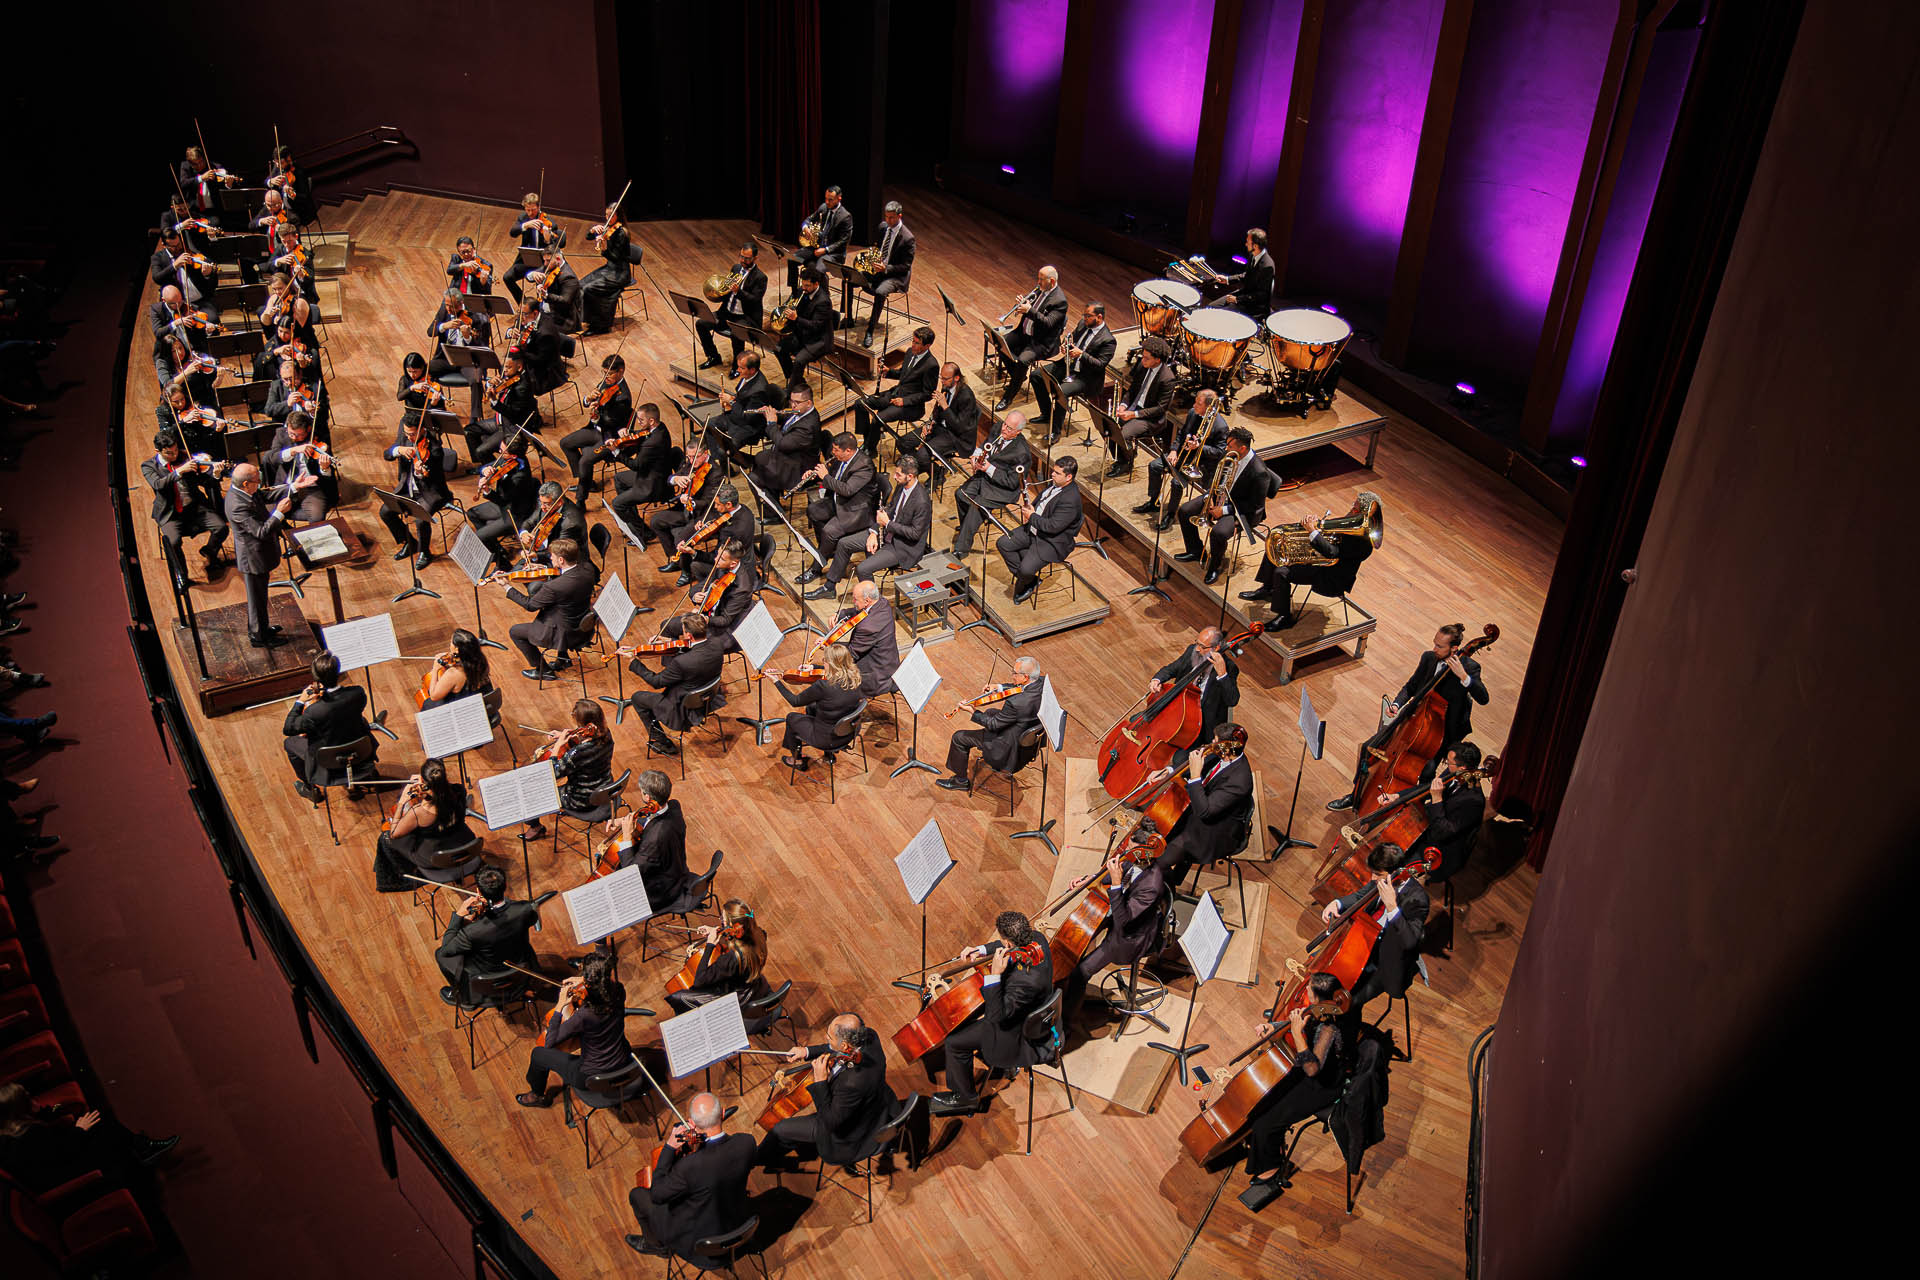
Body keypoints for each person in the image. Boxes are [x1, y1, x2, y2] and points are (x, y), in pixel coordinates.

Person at [1326, 623, 1490, 812]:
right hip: (1414, 718)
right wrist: (1396, 704)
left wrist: (1463, 677)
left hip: (1442, 731)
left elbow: (1483, 698)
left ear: (1454, 648)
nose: (1434, 649)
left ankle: (1416, 808)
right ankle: (1355, 795)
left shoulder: (1469, 666)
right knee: (1368, 748)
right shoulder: (1429, 658)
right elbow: (1411, 686)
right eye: (1434, 644)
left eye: (1440, 646)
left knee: (1426, 770)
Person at [927, 912, 1055, 1116]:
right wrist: (980, 950)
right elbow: (1006, 948)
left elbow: (996, 1017)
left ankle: (966, 1098)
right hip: (1030, 1009)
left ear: (1008, 943)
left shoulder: (1024, 984)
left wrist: (995, 976)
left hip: (1016, 1033)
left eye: (1003, 940)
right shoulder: (1036, 939)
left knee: (954, 1042)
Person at [1238, 972, 1348, 1204]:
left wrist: (1297, 1032)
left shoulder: (1330, 1028)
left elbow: (1312, 1069)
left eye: (1309, 990)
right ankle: (1267, 1145)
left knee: (1266, 1123)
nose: (1305, 992)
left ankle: (1271, 1168)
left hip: (1321, 1085)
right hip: (1305, 1070)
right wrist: (1275, 1029)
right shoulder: (1318, 1010)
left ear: (1319, 998)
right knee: (1261, 1101)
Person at [624, 1091, 755, 1261]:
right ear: (722, 1113)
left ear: (692, 1123)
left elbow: (657, 1195)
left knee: (638, 1195)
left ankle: (657, 1246)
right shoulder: (746, 1142)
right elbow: (721, 1161)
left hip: (700, 1245)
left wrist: (670, 1148)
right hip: (740, 1225)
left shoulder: (688, 1167)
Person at [758, 1013, 893, 1168]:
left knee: (780, 1129)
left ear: (845, 1046)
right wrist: (806, 1051)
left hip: (849, 1134)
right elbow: (836, 1049)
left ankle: (757, 1159)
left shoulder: (851, 1083)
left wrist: (821, 1081)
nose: (826, 1037)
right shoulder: (868, 1036)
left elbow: (829, 1122)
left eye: (829, 1036)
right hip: (872, 1106)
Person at [0, 1083, 178, 1199]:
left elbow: (50, 1111)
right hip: (66, 1176)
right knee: (102, 1128)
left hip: (59, 1155)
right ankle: (141, 1160)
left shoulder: (12, 1128)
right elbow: (62, 1155)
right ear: (21, 1110)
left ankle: (142, 1147)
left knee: (99, 1119)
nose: (34, 1099)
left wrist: (56, 1107)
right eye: (29, 1099)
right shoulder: (29, 1136)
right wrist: (79, 1130)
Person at [1059, 844, 1169, 1020]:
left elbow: (1124, 922)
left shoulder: (1151, 885)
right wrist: (1091, 879)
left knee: (1082, 972)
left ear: (1145, 848)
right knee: (1079, 936)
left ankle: (1066, 1023)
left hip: (1130, 938)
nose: (1126, 849)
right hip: (1120, 912)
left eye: (1131, 845)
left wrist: (1117, 884)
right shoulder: (1136, 856)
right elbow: (1116, 871)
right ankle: (1067, 987)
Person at [1318, 842, 1429, 1012]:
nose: (1373, 878)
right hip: (1362, 943)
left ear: (1396, 872)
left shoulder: (1418, 899)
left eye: (1378, 874)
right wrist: (1337, 903)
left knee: (1346, 1005)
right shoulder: (1380, 880)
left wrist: (1392, 907)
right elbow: (1360, 896)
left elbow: (1409, 941)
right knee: (1322, 980)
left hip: (1384, 962)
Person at [1243, 492, 1380, 623]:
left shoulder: (1364, 544)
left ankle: (1284, 617)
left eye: (1355, 509)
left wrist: (1312, 531)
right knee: (1277, 544)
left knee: (1282, 572)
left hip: (1331, 577)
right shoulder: (1350, 522)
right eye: (1353, 506)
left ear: (1363, 515)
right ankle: (1268, 589)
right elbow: (1329, 532)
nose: (1352, 510)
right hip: (1321, 564)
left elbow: (1331, 553)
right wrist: (1314, 523)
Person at [516, 954, 630, 1108]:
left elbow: (550, 1042)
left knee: (538, 1054)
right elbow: (602, 990)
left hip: (589, 1076)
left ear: (589, 980)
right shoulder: (619, 991)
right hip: (624, 1061)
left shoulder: (585, 1015)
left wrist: (560, 1005)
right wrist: (584, 981)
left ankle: (537, 1095)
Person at [808, 458, 930, 599]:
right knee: (843, 544)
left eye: (898, 475)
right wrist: (874, 531)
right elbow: (889, 510)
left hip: (902, 546)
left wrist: (888, 524)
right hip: (885, 533)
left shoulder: (922, 501)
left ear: (910, 476)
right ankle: (829, 587)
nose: (894, 477)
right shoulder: (901, 486)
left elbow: (914, 533)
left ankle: (873, 604)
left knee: (862, 568)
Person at [1151, 722, 1255, 887]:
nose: (1211, 743)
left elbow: (1204, 812)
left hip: (1216, 831)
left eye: (1215, 741)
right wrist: (1169, 772)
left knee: (1160, 862)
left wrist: (1195, 775)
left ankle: (1166, 888)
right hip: (1202, 807)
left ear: (1226, 750)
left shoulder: (1240, 782)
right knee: (1157, 832)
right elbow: (1192, 764)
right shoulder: (1221, 752)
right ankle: (1171, 877)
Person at [225, 461, 316, 647]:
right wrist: (279, 513)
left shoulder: (245, 491)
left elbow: (265, 494)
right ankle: (259, 637)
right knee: (256, 601)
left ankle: (262, 629)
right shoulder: (237, 505)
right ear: (245, 484)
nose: (259, 483)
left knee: (261, 597)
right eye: (256, 481)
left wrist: (293, 487)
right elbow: (260, 532)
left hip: (260, 555)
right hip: (252, 558)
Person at [1175, 426, 1274, 585]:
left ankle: (1215, 566)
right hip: (1219, 497)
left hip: (1242, 511)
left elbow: (1254, 505)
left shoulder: (1259, 472)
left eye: (1230, 445)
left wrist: (1224, 510)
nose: (1226, 448)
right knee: (1185, 511)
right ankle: (1195, 550)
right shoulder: (1230, 454)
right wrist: (1210, 496)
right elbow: (1215, 475)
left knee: (1218, 533)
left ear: (1242, 448)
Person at [434, 867, 539, 1007]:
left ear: (478, 891)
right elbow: (527, 919)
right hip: (519, 963)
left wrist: (459, 915)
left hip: (489, 973)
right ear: (505, 886)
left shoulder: (472, 931)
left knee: (439, 955)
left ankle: (463, 996)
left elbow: (446, 950)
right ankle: (521, 988)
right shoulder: (525, 908)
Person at [622, 614, 726, 756]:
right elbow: (696, 647)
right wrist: (668, 641)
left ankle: (663, 743)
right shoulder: (718, 644)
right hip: (710, 697)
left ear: (688, 635)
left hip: (683, 707)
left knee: (637, 698)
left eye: (683, 631)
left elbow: (656, 682)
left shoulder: (682, 662)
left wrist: (634, 662)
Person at [937, 656, 1044, 792]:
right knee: (990, 711)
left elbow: (994, 724)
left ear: (1025, 677)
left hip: (1006, 748)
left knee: (959, 737)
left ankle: (960, 781)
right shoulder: (1041, 683)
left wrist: (972, 710)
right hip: (1026, 742)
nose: (1012, 676)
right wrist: (999, 687)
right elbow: (1020, 689)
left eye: (1014, 673)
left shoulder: (1017, 703)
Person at [142, 428, 229, 592]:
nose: (175, 455)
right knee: (173, 542)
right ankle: (181, 575)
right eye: (169, 453)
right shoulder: (148, 466)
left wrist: (215, 475)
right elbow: (158, 485)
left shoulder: (186, 457)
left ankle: (210, 551)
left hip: (195, 507)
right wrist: (179, 471)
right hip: (171, 513)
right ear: (158, 451)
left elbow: (205, 482)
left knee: (222, 527)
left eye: (176, 450)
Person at [371, 758, 475, 892]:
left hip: (436, 857)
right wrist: (427, 792)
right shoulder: (459, 790)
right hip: (463, 844)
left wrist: (402, 801)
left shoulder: (419, 812)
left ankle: (398, 881)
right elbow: (442, 804)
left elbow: (394, 833)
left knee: (385, 838)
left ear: (423, 781)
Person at [505, 537, 598, 681]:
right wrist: (546, 570)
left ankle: (544, 671)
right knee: (561, 612)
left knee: (515, 631)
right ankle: (563, 658)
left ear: (561, 560)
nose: (550, 558)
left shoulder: (553, 587)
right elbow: (567, 581)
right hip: (583, 627)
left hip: (564, 633)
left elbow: (530, 605)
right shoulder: (588, 569)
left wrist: (506, 587)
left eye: (552, 556)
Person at [282, 652, 372, 801]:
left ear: (317, 679)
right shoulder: (357, 693)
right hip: (359, 753)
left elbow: (288, 728)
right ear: (338, 672)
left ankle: (311, 790)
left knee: (290, 743)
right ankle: (367, 778)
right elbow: (341, 711)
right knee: (361, 722)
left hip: (328, 762)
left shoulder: (314, 712)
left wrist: (300, 701)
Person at [522, 699, 615, 841]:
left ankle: (536, 827)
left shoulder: (577, 753)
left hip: (582, 799)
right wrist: (570, 734)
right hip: (605, 788)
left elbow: (551, 773)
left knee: (531, 791)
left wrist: (558, 746)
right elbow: (588, 738)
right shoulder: (607, 735)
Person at [1135, 389, 1228, 528]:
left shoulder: (1221, 426)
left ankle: (1171, 514)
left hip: (1199, 464)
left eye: (1198, 403)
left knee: (1177, 483)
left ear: (1209, 407)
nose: (1194, 405)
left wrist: (1199, 447)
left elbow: (1219, 452)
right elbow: (1181, 434)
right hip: (1180, 455)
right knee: (1154, 466)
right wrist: (1173, 451)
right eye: (1195, 401)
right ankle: (1154, 501)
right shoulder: (1192, 413)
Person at [996, 456, 1082, 604]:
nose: (1052, 474)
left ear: (1069, 477)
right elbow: (1043, 501)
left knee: (1025, 570)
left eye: (1057, 473)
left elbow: (1052, 527)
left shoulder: (1070, 499)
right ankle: (1032, 580)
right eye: (1053, 471)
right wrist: (1031, 507)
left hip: (1050, 541)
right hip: (1034, 530)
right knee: (1003, 543)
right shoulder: (1056, 484)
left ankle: (1025, 582)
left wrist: (1032, 516)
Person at [765, 643, 864, 771]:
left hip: (828, 739)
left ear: (831, 664)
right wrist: (813, 667)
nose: (824, 663)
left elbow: (795, 701)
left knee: (791, 718)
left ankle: (797, 760)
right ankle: (829, 755)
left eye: (825, 661)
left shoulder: (823, 686)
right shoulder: (855, 676)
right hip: (848, 733)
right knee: (812, 707)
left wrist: (776, 681)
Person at [1149, 627, 1241, 763]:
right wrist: (1157, 679)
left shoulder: (1228, 667)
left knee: (1180, 760)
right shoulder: (1192, 651)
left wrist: (1222, 674)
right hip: (1177, 709)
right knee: (1138, 721)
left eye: (1202, 647)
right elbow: (1172, 668)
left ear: (1216, 648)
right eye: (1197, 643)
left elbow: (1232, 700)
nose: (1198, 649)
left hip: (1199, 723)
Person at [950, 412, 1031, 559]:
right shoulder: (999, 428)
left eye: (1009, 428)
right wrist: (976, 455)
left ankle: (961, 549)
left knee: (977, 507)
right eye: (1005, 424)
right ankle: (966, 527)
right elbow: (985, 444)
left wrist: (988, 468)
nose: (1004, 429)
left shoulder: (1022, 452)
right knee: (960, 494)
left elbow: (1013, 483)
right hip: (985, 477)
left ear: (1018, 432)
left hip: (1002, 489)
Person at [798, 435, 880, 580]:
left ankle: (816, 568)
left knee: (829, 532)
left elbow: (847, 490)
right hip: (840, 502)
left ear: (848, 450)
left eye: (836, 450)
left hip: (857, 510)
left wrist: (825, 477)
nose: (832, 453)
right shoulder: (841, 459)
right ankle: (828, 550)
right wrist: (816, 476)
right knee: (813, 511)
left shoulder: (864, 465)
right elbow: (832, 477)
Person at [663, 899, 764, 1013]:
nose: (721, 920)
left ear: (731, 925)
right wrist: (717, 931)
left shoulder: (730, 959)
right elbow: (739, 936)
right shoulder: (760, 934)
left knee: (680, 997)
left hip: (736, 998)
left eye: (723, 920)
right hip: (749, 984)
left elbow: (699, 981)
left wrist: (709, 945)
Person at [1031, 303, 1115, 440]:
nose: (1084, 318)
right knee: (1036, 376)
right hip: (1068, 366)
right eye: (1084, 315)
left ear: (1099, 317)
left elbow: (1100, 365)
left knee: (1061, 391)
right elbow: (1072, 338)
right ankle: (1047, 414)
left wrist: (1081, 354)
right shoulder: (1083, 324)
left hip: (1085, 378)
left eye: (1088, 316)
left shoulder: (1108, 340)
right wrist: (1066, 344)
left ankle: (1056, 431)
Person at [606, 770, 690, 907]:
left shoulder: (655, 838)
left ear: (647, 797)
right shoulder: (674, 806)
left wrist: (627, 836)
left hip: (660, 892)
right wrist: (624, 819)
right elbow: (650, 815)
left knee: (616, 870)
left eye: (641, 791)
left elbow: (631, 871)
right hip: (676, 872)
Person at [852, 325, 938, 457]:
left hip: (911, 406)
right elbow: (904, 374)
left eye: (917, 343)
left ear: (927, 346)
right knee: (860, 403)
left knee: (878, 419)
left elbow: (927, 394)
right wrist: (889, 372)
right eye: (913, 341)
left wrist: (904, 401)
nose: (913, 345)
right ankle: (868, 440)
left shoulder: (931, 365)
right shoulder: (910, 352)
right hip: (894, 394)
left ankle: (870, 450)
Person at [1409, 741, 1488, 882]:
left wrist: (1437, 799)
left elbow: (1442, 833)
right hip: (1428, 828)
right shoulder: (1454, 773)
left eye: (1448, 762)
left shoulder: (1473, 801)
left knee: (1397, 863)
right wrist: (1397, 796)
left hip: (1440, 852)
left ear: (1462, 768)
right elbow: (1428, 788)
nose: (1445, 765)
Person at [381, 414, 451, 571]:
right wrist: (398, 450)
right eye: (406, 433)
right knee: (385, 511)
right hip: (407, 490)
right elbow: (387, 454)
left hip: (431, 493)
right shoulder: (405, 439)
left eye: (412, 434)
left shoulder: (434, 448)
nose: (409, 437)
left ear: (422, 430)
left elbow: (432, 477)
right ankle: (409, 543)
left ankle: (425, 552)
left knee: (420, 519)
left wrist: (420, 472)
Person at [995, 266, 1068, 411]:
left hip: (1040, 342)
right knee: (1000, 343)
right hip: (1024, 334)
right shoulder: (1039, 290)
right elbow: (1032, 310)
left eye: (1041, 279)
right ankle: (1018, 376)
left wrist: (1029, 310)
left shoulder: (1060, 301)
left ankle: (1008, 397)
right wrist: (1023, 304)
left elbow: (1048, 323)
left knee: (1023, 360)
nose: (1038, 282)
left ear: (1052, 281)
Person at [660, 540, 757, 647]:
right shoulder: (721, 566)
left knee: (693, 647)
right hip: (706, 614)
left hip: (722, 628)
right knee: (666, 626)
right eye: (717, 555)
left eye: (721, 559)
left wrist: (705, 619)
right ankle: (675, 659)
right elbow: (700, 586)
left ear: (733, 563)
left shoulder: (742, 588)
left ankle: (683, 659)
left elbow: (725, 620)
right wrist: (695, 595)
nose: (715, 560)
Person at [466, 434, 540, 570]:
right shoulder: (507, 459)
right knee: (472, 513)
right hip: (505, 505)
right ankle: (498, 552)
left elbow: (502, 500)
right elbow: (483, 468)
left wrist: (487, 491)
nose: (499, 453)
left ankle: (503, 563)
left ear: (513, 456)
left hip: (514, 514)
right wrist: (485, 470)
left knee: (479, 537)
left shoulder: (519, 477)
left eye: (502, 451)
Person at [605, 402, 678, 534]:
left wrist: (616, 452)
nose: (638, 422)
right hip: (651, 473)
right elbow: (643, 433)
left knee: (617, 503)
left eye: (641, 420)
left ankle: (643, 532)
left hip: (652, 484)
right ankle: (631, 514)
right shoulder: (661, 427)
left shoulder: (653, 443)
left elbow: (636, 465)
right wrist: (629, 433)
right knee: (619, 478)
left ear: (651, 420)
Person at [748, 386, 821, 511]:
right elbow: (789, 420)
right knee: (759, 462)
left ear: (809, 403)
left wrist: (771, 423)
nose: (792, 405)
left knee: (754, 477)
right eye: (791, 401)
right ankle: (773, 499)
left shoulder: (808, 426)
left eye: (796, 402)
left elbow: (782, 444)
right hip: (789, 457)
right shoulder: (801, 412)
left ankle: (774, 514)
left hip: (798, 469)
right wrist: (771, 412)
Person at [665, 484, 753, 588]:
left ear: (729, 504)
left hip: (735, 568)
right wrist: (708, 527)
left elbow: (717, 558)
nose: (715, 507)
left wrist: (694, 553)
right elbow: (724, 522)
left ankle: (712, 590)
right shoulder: (744, 510)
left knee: (695, 566)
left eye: (717, 504)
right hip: (744, 555)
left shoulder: (732, 532)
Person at [901, 362, 977, 480]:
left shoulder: (966, 396)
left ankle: (937, 475)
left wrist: (945, 406)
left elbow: (960, 427)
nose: (942, 381)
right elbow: (936, 412)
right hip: (940, 427)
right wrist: (928, 424)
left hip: (956, 436)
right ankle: (925, 467)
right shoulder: (946, 386)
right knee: (904, 442)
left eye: (945, 379)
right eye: (941, 377)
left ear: (956, 378)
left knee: (922, 455)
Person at [561, 353, 631, 479]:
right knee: (565, 443)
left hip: (608, 437)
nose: (605, 377)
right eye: (604, 373)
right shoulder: (606, 382)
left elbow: (611, 424)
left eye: (609, 373)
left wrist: (596, 416)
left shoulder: (623, 397)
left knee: (585, 460)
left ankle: (586, 486)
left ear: (620, 372)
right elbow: (589, 403)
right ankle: (582, 480)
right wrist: (588, 399)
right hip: (595, 429)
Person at [696, 242, 766, 368]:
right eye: (741, 256)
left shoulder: (760, 277)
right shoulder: (735, 268)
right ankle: (713, 357)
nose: (743, 260)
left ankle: (737, 366)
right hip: (726, 312)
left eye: (747, 258)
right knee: (701, 323)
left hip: (745, 317)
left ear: (755, 258)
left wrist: (738, 291)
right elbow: (726, 291)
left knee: (736, 333)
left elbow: (754, 300)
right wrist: (717, 293)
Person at [646, 443, 721, 558]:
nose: (691, 460)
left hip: (703, 515)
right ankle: (673, 558)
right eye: (689, 457)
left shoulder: (716, 473)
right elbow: (671, 478)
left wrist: (691, 502)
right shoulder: (691, 463)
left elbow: (708, 502)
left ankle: (686, 572)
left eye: (695, 456)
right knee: (656, 521)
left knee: (680, 540)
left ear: (705, 453)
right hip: (686, 510)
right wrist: (676, 479)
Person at [1113, 339, 1176, 472]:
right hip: (1135, 408)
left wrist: (1133, 414)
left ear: (1157, 360)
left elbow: (1160, 409)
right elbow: (1132, 390)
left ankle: (1126, 464)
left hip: (1150, 419)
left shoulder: (1167, 379)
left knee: (1123, 435)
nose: (1143, 360)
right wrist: (1123, 405)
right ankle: (1124, 456)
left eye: (1147, 358)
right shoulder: (1142, 366)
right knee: (1108, 425)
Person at [857, 200, 915, 344]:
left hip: (896, 275)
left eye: (891, 218)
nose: (887, 220)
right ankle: (849, 318)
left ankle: (870, 331)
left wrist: (886, 268)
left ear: (899, 216)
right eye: (886, 217)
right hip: (880, 270)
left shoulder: (908, 238)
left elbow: (906, 266)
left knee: (880, 292)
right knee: (851, 277)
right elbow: (879, 248)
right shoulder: (883, 227)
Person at [266, 410, 337, 523]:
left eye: (299, 435)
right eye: (291, 433)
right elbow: (272, 459)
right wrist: (293, 450)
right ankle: (288, 533)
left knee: (316, 517)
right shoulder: (281, 434)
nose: (294, 438)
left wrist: (325, 468)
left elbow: (329, 474)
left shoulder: (318, 437)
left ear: (308, 429)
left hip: (312, 488)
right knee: (266, 513)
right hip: (286, 486)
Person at [703, 351, 778, 457]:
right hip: (737, 414)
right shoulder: (749, 376)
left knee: (724, 449)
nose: (738, 370)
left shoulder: (759, 390)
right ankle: (719, 462)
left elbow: (747, 417)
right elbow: (742, 397)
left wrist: (731, 401)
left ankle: (735, 462)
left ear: (752, 370)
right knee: (709, 424)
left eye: (741, 368)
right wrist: (730, 399)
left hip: (748, 426)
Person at [833, 580, 899, 696]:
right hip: (887, 663)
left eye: (855, 599)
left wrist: (829, 650)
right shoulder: (882, 603)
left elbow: (851, 655)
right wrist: (839, 615)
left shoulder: (867, 627)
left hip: (875, 677)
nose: (853, 602)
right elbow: (859, 610)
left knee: (832, 684)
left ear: (867, 600)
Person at [774, 268, 837, 390]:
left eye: (807, 285)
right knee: (778, 348)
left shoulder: (824, 301)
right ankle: (796, 379)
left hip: (819, 340)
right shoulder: (801, 291)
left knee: (799, 360)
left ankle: (791, 390)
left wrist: (796, 319)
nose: (804, 288)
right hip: (803, 333)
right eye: (802, 284)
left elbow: (816, 326)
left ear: (816, 284)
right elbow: (792, 305)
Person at [787, 184, 854, 291]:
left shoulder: (845, 217)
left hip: (834, 253)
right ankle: (795, 292)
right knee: (792, 259)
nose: (827, 202)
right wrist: (805, 227)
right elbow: (809, 219)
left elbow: (843, 241)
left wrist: (825, 250)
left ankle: (822, 298)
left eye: (830, 200)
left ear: (839, 198)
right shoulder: (824, 207)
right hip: (817, 247)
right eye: (826, 199)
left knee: (818, 270)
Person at [503, 193, 566, 302]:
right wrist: (525, 225)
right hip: (527, 260)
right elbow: (513, 233)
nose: (530, 213)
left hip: (544, 263)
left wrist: (547, 239)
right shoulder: (523, 218)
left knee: (541, 282)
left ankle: (540, 309)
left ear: (539, 207)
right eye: (528, 210)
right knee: (507, 277)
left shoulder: (550, 222)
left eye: (533, 210)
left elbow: (555, 247)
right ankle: (524, 304)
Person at [580, 204, 632, 334]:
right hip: (610, 269)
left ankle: (600, 325)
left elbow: (615, 257)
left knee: (589, 289)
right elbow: (588, 237)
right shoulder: (609, 229)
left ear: (618, 216)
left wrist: (604, 248)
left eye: (611, 216)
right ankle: (590, 319)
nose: (607, 218)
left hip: (620, 273)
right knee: (581, 285)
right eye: (606, 215)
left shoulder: (622, 233)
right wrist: (592, 231)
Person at [416, 629, 493, 710]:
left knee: (428, 703)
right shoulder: (480, 660)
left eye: (451, 643)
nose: (450, 645)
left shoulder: (454, 673)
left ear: (457, 649)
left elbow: (434, 696)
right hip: (477, 703)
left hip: (462, 710)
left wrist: (435, 669)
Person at [1218, 228, 1275, 322]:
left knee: (1220, 315)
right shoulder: (1254, 255)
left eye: (1248, 242)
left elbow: (1261, 295)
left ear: (1255, 246)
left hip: (1255, 305)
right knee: (1211, 307)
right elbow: (1247, 275)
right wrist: (1227, 279)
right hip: (1245, 296)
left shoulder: (1267, 266)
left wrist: (1237, 299)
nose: (1245, 244)